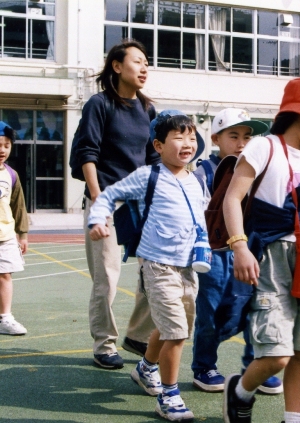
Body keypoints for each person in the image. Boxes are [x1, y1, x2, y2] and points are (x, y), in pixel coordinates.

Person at [221, 76, 300, 423]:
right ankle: (239, 392)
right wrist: (240, 246)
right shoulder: (264, 147)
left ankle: (294, 420)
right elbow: (232, 199)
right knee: (277, 354)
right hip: (269, 258)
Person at [88, 111, 207, 422]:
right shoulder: (148, 176)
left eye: (192, 137)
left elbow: (200, 220)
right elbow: (110, 195)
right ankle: (169, 396)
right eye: (179, 137)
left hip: (188, 268)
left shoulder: (196, 180)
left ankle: (145, 368)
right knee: (176, 333)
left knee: (173, 328)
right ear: (158, 145)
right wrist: (97, 219)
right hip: (157, 266)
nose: (188, 143)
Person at [73, 39, 159, 369]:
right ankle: (104, 343)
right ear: (117, 66)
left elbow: (154, 158)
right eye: (137, 61)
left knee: (155, 272)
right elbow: (87, 152)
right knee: (107, 277)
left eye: (146, 63)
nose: (144, 67)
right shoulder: (99, 104)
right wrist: (98, 199)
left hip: (141, 203)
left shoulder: (148, 110)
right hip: (107, 199)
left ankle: (138, 335)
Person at [191, 108, 283, 395]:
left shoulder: (255, 170)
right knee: (211, 310)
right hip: (216, 252)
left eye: (247, 136)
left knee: (255, 306)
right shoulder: (204, 173)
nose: (242, 143)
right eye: (234, 136)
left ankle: (254, 366)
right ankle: (204, 366)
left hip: (251, 248)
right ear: (215, 138)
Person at [0, 121, 28, 336]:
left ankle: (5, 318)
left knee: (5, 275)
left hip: (5, 235)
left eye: (7, 145)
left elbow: (18, 206)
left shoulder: (12, 174)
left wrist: (23, 234)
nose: (2, 150)